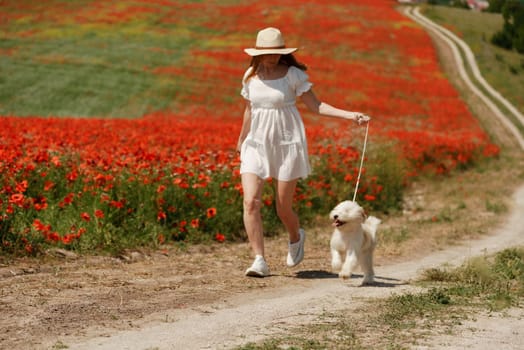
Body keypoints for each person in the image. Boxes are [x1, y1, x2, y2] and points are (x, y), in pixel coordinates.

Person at [237, 27, 370, 277]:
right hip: (256, 143)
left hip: (287, 143)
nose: (272, 57)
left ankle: (296, 237)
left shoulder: (293, 75)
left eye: (277, 53)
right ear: (258, 53)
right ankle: (259, 260)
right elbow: (249, 109)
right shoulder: (250, 76)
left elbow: (316, 106)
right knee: (250, 201)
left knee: (282, 207)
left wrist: (350, 115)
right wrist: (241, 139)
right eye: (267, 53)